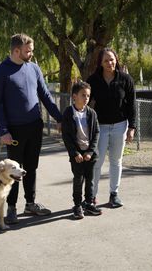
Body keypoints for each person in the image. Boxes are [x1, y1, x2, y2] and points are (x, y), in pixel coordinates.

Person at [0, 33, 62, 224]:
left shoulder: (34, 68)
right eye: (28, 51)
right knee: (13, 170)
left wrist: (60, 118)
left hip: (34, 126)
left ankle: (30, 203)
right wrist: (3, 130)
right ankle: (11, 208)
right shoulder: (1, 72)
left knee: (31, 167)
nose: (31, 54)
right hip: (13, 130)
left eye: (31, 51)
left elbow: (45, 95)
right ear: (16, 51)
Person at [87, 48, 136, 208]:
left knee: (116, 160)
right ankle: (91, 196)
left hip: (120, 126)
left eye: (112, 59)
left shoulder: (126, 79)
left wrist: (132, 127)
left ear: (117, 59)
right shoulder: (93, 80)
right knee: (97, 161)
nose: (110, 63)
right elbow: (86, 104)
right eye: (106, 60)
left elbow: (132, 105)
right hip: (100, 127)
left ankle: (114, 194)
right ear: (100, 63)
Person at [61, 81, 102, 219]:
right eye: (83, 95)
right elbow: (66, 136)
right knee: (78, 179)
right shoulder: (68, 113)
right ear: (74, 96)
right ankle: (77, 205)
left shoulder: (92, 113)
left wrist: (90, 152)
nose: (86, 98)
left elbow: (96, 133)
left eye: (88, 96)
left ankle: (89, 203)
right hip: (77, 154)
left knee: (90, 179)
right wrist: (75, 153)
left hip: (90, 154)